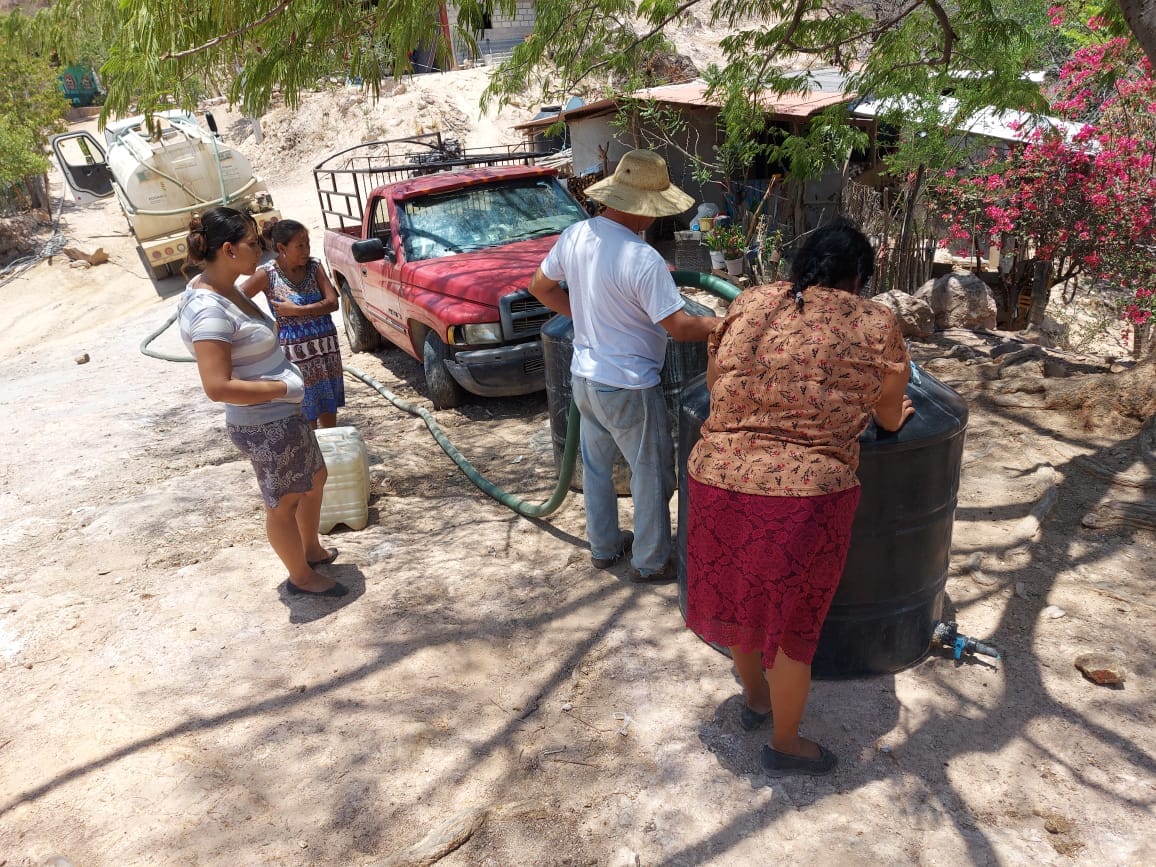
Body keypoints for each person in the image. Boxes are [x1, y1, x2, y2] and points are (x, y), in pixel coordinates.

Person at [684, 218, 914, 776]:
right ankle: (785, 743)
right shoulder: (876, 322)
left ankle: (756, 701)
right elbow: (887, 409)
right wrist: (894, 416)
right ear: (859, 277)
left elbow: (717, 383)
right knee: (792, 626)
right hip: (804, 496)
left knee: (743, 602)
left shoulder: (751, 302)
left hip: (717, 477)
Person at [529, 150, 719, 582]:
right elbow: (681, 327)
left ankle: (603, 547)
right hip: (629, 384)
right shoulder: (642, 258)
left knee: (595, 467)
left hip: (586, 376)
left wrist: (583, 316)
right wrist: (723, 323)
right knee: (650, 473)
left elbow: (539, 286)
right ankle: (652, 561)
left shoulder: (576, 235)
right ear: (647, 211)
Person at [178, 207, 348, 598]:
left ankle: (310, 550)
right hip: (264, 422)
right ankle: (300, 576)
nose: (262, 251)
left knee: (314, 478)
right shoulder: (208, 309)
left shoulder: (228, 290)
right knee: (284, 502)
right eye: (253, 244)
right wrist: (280, 387)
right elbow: (217, 386)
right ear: (227, 249)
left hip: (283, 413)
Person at [241, 218, 345, 428]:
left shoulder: (315, 267)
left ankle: (329, 454)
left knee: (328, 407)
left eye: (307, 243)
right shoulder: (268, 274)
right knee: (304, 410)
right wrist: (266, 324)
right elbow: (238, 298)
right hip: (297, 356)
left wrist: (298, 311)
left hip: (326, 350)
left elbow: (333, 301)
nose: (306, 250)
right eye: (300, 245)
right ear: (282, 248)